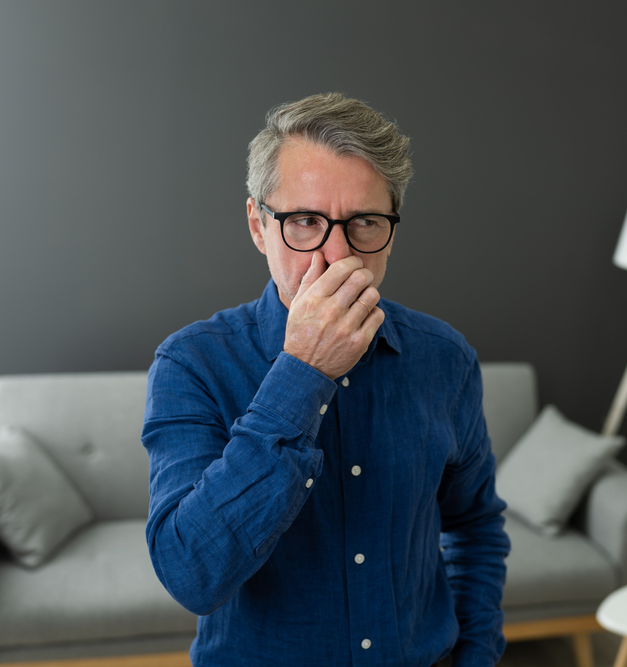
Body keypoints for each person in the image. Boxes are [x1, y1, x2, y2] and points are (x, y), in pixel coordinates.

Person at [142, 93, 510, 666]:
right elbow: (191, 574)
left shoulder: (446, 358)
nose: (337, 256)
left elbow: (475, 526)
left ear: (391, 230)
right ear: (259, 226)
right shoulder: (191, 364)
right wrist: (303, 372)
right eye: (305, 221)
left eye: (364, 222)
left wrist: (476, 657)